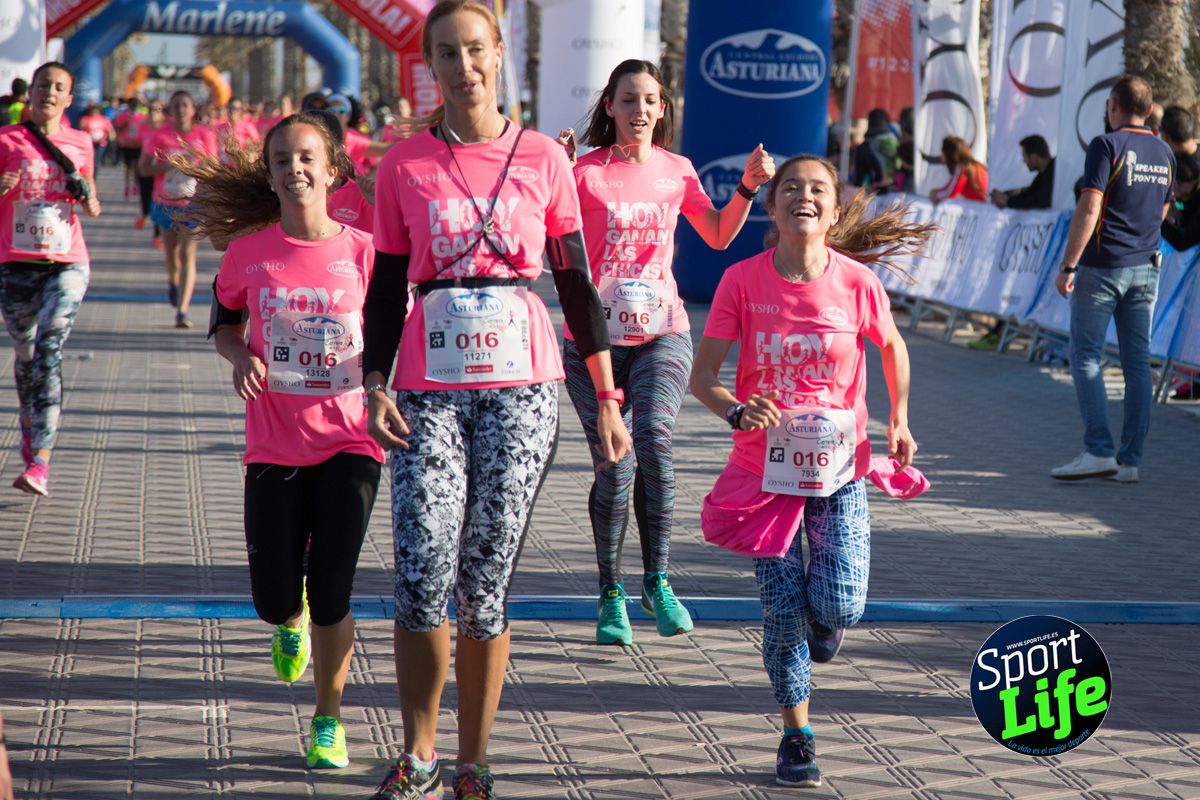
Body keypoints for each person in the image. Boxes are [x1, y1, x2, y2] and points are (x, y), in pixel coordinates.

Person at [361, 3, 630, 797]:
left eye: (475, 50)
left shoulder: (545, 157)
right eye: (447, 53)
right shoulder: (401, 164)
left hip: (522, 387)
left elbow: (577, 285)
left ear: (499, 57)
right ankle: (418, 752)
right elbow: (382, 290)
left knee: (483, 580)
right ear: (431, 65)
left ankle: (474, 763)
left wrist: (607, 398)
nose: (463, 66)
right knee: (419, 567)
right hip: (427, 386)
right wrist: (373, 384)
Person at [690, 154, 929, 788]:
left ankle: (829, 619)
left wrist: (898, 421)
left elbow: (894, 346)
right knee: (781, 612)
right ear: (772, 206)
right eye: (791, 187)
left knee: (840, 606)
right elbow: (703, 378)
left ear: (834, 206)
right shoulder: (741, 281)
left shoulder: (856, 282)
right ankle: (797, 735)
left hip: (840, 468)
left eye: (817, 188)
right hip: (764, 475)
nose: (804, 196)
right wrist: (738, 411)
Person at [178, 111, 384, 771]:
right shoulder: (249, 254)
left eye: (305, 158)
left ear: (331, 170)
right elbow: (224, 323)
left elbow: (394, 335)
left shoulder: (366, 253)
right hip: (273, 444)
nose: (294, 170)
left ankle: (329, 719)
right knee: (275, 596)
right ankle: (285, 617)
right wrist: (239, 357)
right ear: (268, 176)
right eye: (280, 161)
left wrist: (389, 393)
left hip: (352, 440)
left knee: (333, 591)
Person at [560, 58, 774, 646]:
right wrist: (550, 170)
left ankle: (658, 580)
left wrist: (749, 188)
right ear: (610, 107)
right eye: (627, 100)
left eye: (649, 100)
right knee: (617, 463)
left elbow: (719, 234)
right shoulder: (583, 171)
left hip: (663, 331)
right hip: (593, 343)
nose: (639, 110)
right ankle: (611, 592)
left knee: (653, 438)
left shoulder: (676, 170)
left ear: (661, 108)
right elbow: (544, 233)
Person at [1051, 75, 1175, 483]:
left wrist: (1069, 264)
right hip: (1145, 267)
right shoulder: (1164, 151)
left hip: (1103, 266)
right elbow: (1163, 210)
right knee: (1137, 363)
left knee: (1085, 354)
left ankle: (1098, 450)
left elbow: (1090, 206)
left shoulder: (1106, 145)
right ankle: (1130, 460)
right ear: (1150, 109)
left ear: (1113, 106)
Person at [0, 61, 101, 496]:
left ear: (69, 98)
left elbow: (92, 202)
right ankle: (29, 422)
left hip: (67, 260)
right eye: (44, 85)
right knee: (25, 354)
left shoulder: (80, 142)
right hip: (16, 260)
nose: (50, 93)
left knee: (49, 348)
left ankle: (41, 458)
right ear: (31, 92)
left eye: (59, 87)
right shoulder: (6, 140)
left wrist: (88, 195)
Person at [138, 90, 219, 328]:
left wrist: (196, 165)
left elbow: (213, 168)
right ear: (170, 111)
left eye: (185, 105)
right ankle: (174, 283)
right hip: (165, 202)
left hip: (193, 204)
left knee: (187, 255)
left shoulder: (204, 135)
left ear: (193, 109)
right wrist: (167, 165)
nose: (181, 110)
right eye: (176, 106)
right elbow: (143, 169)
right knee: (172, 257)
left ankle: (182, 311)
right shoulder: (159, 135)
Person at [991, 134, 1055, 210]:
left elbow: (1038, 201)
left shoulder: (1055, 173)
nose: (1024, 161)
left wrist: (1007, 201)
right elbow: (1029, 193)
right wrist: (1006, 196)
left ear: (1034, 157)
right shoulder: (1043, 175)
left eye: (1025, 157)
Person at [135, 100, 166, 244]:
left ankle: (157, 234)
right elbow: (137, 144)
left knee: (157, 200)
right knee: (146, 198)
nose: (154, 113)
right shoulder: (143, 128)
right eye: (152, 110)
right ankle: (144, 213)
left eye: (158, 110)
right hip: (145, 167)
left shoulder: (166, 130)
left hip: (160, 170)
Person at [853, 108, 899, 193]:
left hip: (875, 189)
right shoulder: (896, 141)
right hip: (896, 189)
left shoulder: (865, 146)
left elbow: (860, 177)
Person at [929, 135, 988, 202]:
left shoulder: (962, 167)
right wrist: (936, 192)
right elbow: (950, 187)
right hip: (983, 206)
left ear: (949, 153)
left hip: (981, 208)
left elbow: (951, 192)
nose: (941, 154)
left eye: (943, 151)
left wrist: (935, 194)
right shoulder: (976, 165)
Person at [78, 103, 114, 173]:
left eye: (95, 111)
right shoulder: (86, 119)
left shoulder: (104, 119)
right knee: (91, 159)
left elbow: (109, 129)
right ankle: (90, 172)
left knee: (97, 160)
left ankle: (95, 173)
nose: (94, 113)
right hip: (89, 143)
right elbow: (81, 129)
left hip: (101, 142)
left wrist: (111, 136)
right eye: (93, 111)